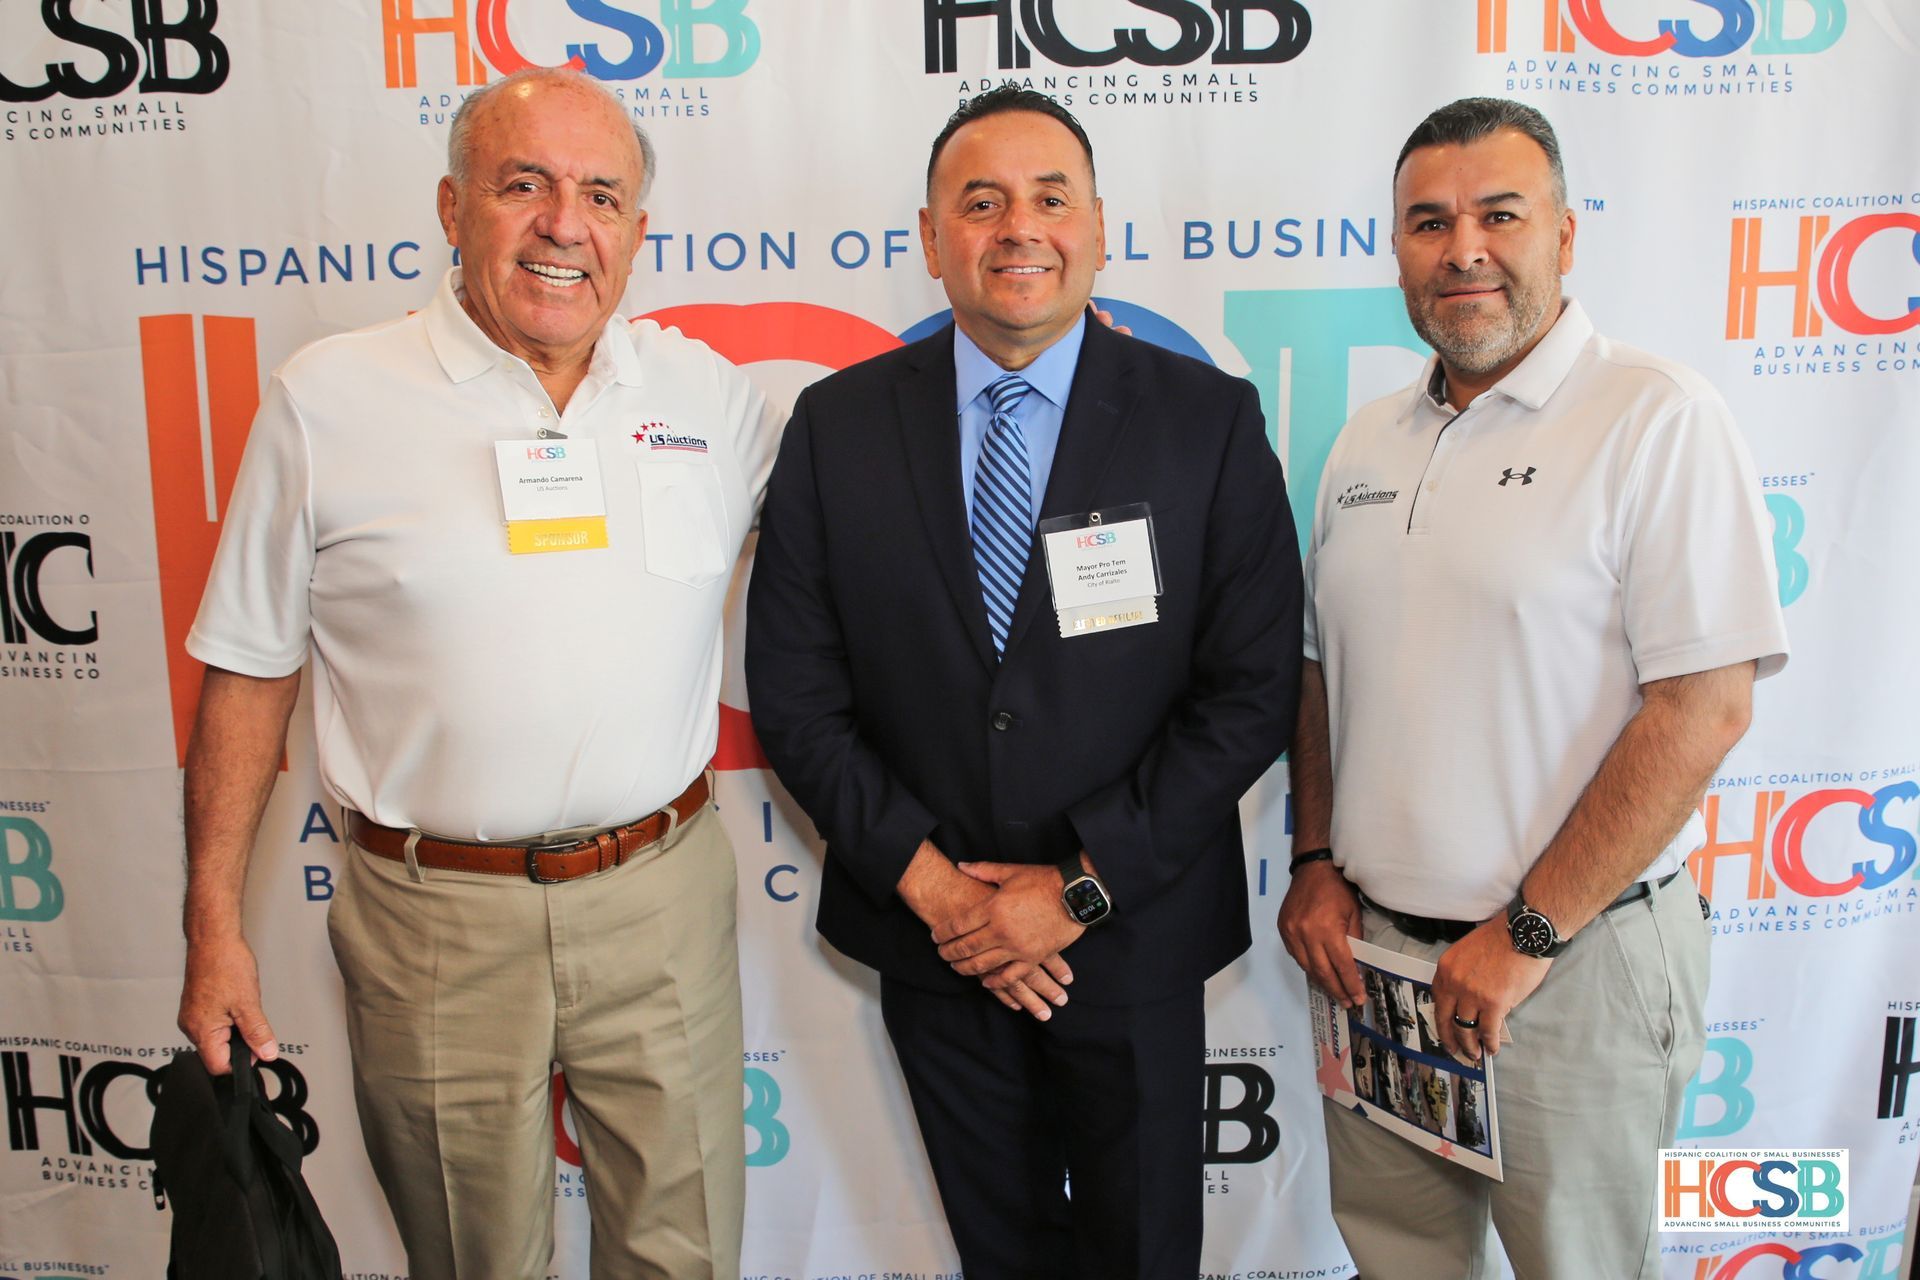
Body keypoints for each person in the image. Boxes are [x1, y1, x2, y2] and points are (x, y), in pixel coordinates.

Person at [174, 67, 779, 1280]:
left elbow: (888, 503)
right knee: (472, 1259)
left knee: (688, 1252)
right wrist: (211, 925)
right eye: (525, 186)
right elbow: (248, 670)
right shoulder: (327, 399)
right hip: (431, 917)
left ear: (639, 232)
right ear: (453, 209)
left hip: (660, 895)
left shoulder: (708, 397)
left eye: (601, 195)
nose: (566, 224)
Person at [744, 85, 1301, 1279]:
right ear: (933, 234)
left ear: (1100, 225)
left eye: (1051, 198)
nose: (1019, 228)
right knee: (995, 1253)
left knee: (1143, 1253)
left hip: (1131, 936)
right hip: (933, 943)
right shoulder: (835, 427)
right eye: (981, 201)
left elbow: (1250, 689)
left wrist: (1080, 888)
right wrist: (946, 895)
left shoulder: (1205, 422)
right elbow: (795, 694)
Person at [1278, 97, 1788, 1279]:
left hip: (1569, 967)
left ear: (1565, 234)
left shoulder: (1657, 417)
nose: (1463, 248)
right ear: (1396, 247)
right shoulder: (1364, 443)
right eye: (1428, 221)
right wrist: (1313, 857)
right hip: (1378, 971)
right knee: (1398, 1264)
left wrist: (1528, 928)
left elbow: (1704, 708)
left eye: (1500, 214)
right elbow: (1318, 673)